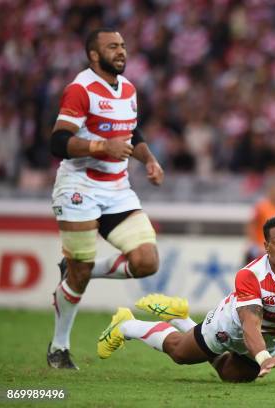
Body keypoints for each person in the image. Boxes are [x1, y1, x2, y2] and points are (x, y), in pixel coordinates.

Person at [97, 215, 275, 382]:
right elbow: (250, 325)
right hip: (230, 326)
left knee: (232, 375)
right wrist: (262, 357)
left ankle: (182, 318)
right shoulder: (250, 275)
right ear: (266, 246)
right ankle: (126, 325)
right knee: (181, 354)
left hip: (272, 339)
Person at [47, 28, 164, 369]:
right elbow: (58, 142)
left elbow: (132, 131)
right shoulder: (80, 89)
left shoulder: (128, 88)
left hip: (117, 189)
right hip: (78, 187)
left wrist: (149, 160)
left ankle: (76, 270)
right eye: (112, 47)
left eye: (124, 46)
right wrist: (100, 145)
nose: (121, 51)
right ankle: (59, 347)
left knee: (146, 261)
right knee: (79, 276)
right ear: (94, 56)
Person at [244, 181, 275, 264]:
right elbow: (251, 224)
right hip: (259, 247)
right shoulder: (262, 207)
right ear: (270, 193)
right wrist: (253, 243)